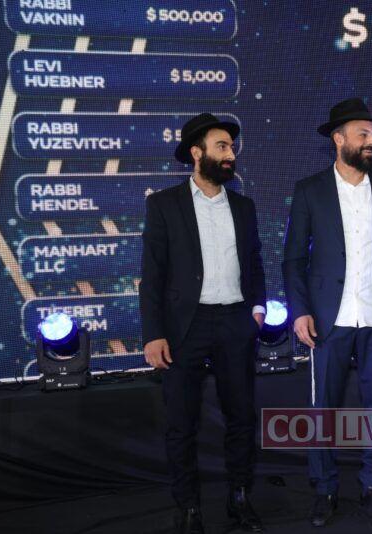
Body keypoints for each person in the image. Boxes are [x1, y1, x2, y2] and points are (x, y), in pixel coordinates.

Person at [283, 98, 372, 527]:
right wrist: (299, 311)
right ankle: (324, 488)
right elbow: (293, 259)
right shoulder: (310, 190)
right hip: (327, 318)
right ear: (338, 138)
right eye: (363, 134)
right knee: (322, 408)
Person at [140, 113, 266, 534]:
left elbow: (255, 263)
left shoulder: (244, 207)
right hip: (183, 329)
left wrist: (258, 309)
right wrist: (154, 334)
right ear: (197, 153)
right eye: (221, 146)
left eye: (231, 147)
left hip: (235, 322)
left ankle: (240, 499)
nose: (230, 154)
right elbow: (152, 275)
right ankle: (189, 509)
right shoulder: (164, 204)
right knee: (182, 424)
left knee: (241, 418)